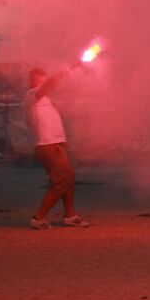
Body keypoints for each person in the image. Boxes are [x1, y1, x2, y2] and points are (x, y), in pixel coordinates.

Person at [26, 65, 91, 229]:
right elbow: (47, 86)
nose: (41, 80)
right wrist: (62, 73)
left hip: (55, 144)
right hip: (47, 144)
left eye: (43, 76)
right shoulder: (32, 94)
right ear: (32, 80)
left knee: (68, 178)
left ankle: (70, 215)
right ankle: (38, 217)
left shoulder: (44, 99)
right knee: (62, 180)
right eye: (38, 77)